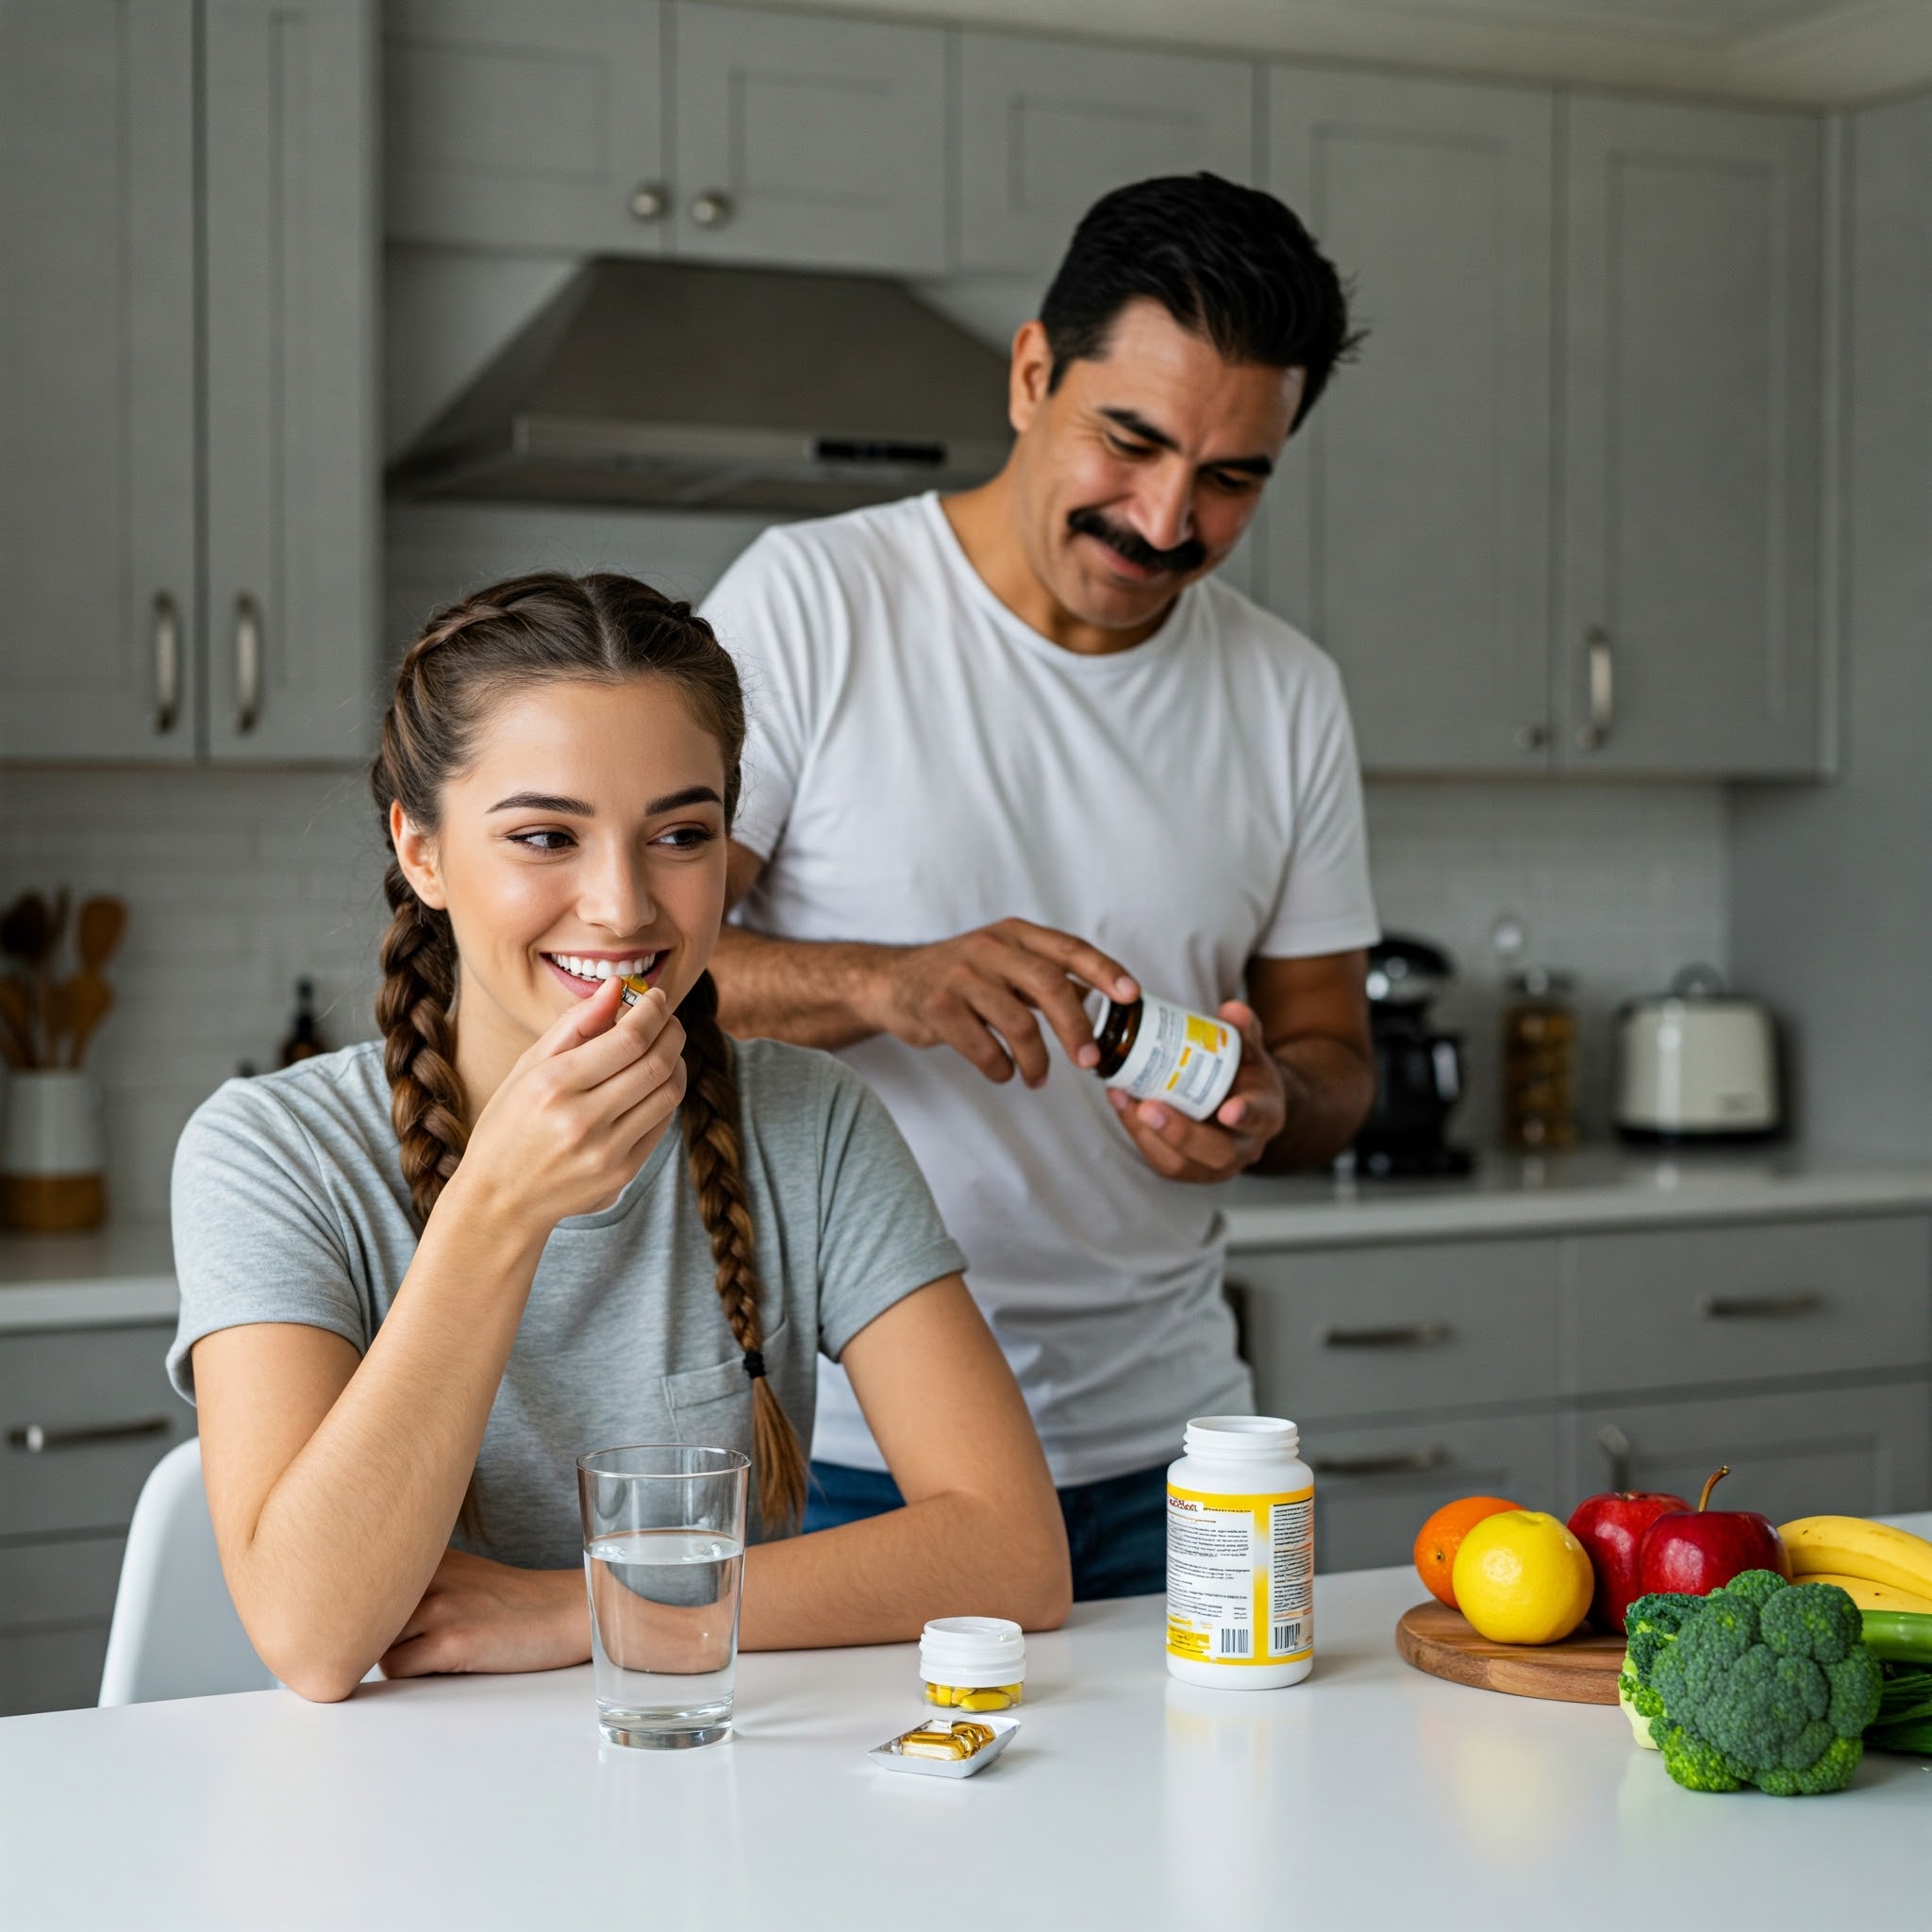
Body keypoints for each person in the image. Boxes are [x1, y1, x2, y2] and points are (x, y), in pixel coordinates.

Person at [170, 573, 1070, 1704]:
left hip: (712, 1766)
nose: (622, 905)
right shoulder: (269, 1153)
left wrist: (582, 1610)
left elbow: (1015, 1556)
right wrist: (498, 1206)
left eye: (680, 834)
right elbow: (312, 1634)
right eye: (546, 834)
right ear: (422, 851)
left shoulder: (808, 1120)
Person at [702, 174, 1380, 1601]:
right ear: (1030, 376)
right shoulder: (812, 605)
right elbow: (641, 976)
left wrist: (1270, 1109)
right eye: (1129, 441)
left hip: (1172, 1452)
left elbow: (1334, 1061)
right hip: (849, 1451)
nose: (1167, 518)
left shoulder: (1287, 694)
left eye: (1233, 476)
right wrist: (883, 983)